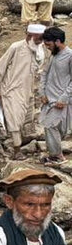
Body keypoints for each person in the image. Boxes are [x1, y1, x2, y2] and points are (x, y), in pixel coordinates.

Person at [0, 24, 47, 156]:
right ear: (29, 35)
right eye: (38, 38)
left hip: (28, 90)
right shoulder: (16, 47)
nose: (40, 40)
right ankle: (17, 151)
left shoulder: (40, 49)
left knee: (22, 117)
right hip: (12, 88)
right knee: (15, 119)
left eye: (41, 38)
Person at [40, 26, 72, 164]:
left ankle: (57, 157)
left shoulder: (69, 56)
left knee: (50, 126)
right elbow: (44, 73)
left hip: (60, 100)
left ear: (58, 41)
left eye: (48, 44)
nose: (47, 47)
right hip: (48, 99)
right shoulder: (53, 54)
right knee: (52, 126)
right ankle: (55, 154)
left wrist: (64, 98)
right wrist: (42, 92)